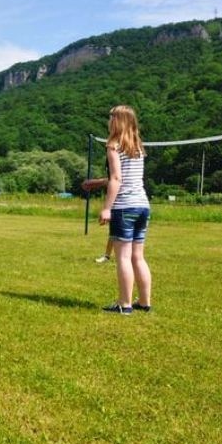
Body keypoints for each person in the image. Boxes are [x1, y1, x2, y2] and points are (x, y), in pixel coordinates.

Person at [82, 105, 152, 314]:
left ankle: (125, 304)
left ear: (117, 121)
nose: (108, 121)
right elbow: (125, 177)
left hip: (124, 207)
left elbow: (117, 179)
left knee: (123, 257)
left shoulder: (113, 144)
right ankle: (144, 302)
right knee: (138, 257)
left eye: (110, 117)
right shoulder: (137, 146)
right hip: (142, 206)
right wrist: (98, 182)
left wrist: (107, 208)